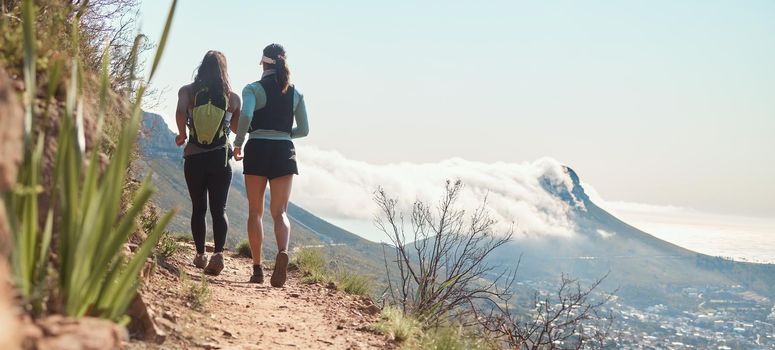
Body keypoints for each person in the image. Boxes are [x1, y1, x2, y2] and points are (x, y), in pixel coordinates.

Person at [233, 43, 309, 287]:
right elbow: (305, 130)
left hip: (257, 148)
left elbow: (245, 116)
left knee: (255, 211)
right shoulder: (296, 93)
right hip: (284, 151)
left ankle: (257, 270)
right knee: (281, 212)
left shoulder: (253, 89)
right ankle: (282, 252)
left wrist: (238, 141)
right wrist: (284, 134)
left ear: (262, 63)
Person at [175, 50, 241, 276]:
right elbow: (235, 129)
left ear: (201, 67)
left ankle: (200, 254)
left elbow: (180, 112)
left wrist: (182, 134)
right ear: (224, 70)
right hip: (220, 158)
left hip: (194, 156)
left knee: (198, 207)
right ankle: (219, 254)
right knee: (218, 208)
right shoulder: (232, 97)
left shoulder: (188, 91)